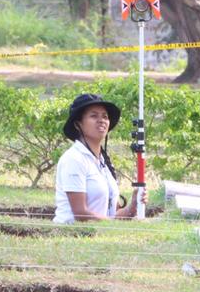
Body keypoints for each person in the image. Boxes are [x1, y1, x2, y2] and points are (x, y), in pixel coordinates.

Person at [54, 93, 142, 223]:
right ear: (78, 124)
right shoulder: (74, 159)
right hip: (72, 236)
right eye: (93, 116)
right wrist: (113, 225)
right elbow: (81, 214)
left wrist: (133, 206)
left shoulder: (103, 162)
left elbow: (112, 215)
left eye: (105, 116)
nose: (101, 120)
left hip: (101, 235)